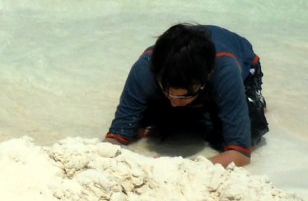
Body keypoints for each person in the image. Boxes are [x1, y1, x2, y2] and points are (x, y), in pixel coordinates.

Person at [104, 23, 268, 167]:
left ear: (209, 76)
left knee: (230, 135)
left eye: (183, 96)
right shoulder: (145, 69)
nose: (174, 103)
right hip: (192, 87)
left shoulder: (225, 72)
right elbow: (117, 136)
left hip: (244, 72)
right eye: (168, 93)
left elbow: (240, 154)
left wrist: (183, 167)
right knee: (136, 129)